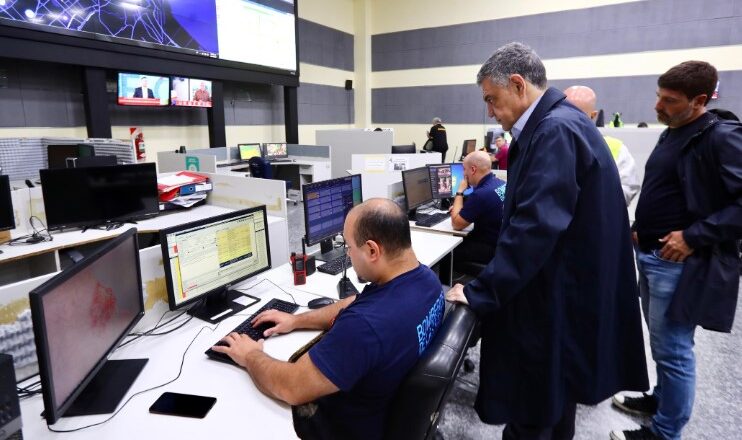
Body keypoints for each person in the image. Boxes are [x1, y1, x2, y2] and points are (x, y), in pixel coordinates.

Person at [445, 42, 648, 439]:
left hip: (553, 302)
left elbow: (535, 227)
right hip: (569, 295)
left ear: (518, 84)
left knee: (534, 414)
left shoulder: (554, 131)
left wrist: (480, 290)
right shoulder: (565, 122)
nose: (489, 111)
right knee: (556, 408)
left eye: (492, 99)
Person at [212, 198, 445, 439]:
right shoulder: (427, 280)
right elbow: (354, 302)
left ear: (372, 250)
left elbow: (291, 387)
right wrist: (297, 321)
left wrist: (250, 355)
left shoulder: (364, 327)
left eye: (349, 247)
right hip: (390, 406)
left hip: (346, 428)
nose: (347, 254)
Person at [610, 61, 742, 440]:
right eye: (658, 96)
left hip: (677, 262)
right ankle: (659, 400)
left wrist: (694, 236)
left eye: (669, 100)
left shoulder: (719, 136)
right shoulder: (674, 132)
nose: (657, 106)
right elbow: (667, 189)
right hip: (652, 253)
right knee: (662, 341)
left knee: (674, 350)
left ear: (699, 100)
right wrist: (640, 226)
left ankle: (666, 433)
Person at [564, 85, 641, 205]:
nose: (569, 120)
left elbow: (627, 190)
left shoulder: (615, 148)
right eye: (564, 113)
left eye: (577, 115)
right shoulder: (547, 143)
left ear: (593, 115)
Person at [449, 150, 506, 270]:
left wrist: (460, 192)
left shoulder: (481, 195)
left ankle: (448, 286)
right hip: (502, 243)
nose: (464, 173)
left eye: (464, 169)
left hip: (488, 247)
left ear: (473, 170)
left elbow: (456, 224)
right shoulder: (500, 183)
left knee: (448, 251)